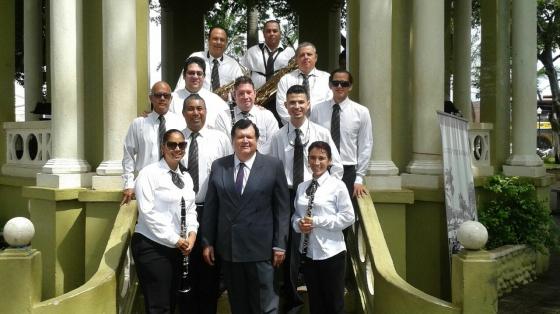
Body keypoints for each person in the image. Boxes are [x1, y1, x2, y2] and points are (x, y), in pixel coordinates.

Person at [263, 84, 343, 312]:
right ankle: (292, 303)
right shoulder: (278, 136)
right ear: (286, 106)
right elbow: (273, 170)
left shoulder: (321, 133)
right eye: (292, 103)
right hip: (288, 196)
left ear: (308, 104)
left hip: (316, 196)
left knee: (313, 248)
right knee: (288, 252)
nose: (296, 106)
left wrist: (324, 190)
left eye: (301, 102)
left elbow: (335, 167)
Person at [201, 119, 290, 314]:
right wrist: (207, 241)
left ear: (257, 140)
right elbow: (211, 208)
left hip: (262, 250)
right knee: (239, 305)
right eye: (240, 137)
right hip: (230, 249)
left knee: (265, 306)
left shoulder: (272, 166)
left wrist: (280, 244)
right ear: (233, 140)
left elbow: (282, 209)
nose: (245, 141)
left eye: (249, 136)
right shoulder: (219, 166)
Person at [131, 129, 199, 313]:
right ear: (163, 148)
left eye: (181, 145)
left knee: (170, 302)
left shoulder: (186, 177)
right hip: (152, 246)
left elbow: (191, 209)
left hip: (177, 248)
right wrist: (175, 239)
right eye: (172, 145)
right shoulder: (148, 174)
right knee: (159, 306)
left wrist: (192, 235)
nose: (177, 148)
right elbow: (147, 213)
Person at [180, 94, 232, 314]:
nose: (195, 113)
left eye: (199, 108)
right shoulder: (176, 139)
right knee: (185, 269)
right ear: (183, 113)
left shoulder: (219, 139)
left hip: (212, 211)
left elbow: (230, 172)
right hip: (182, 214)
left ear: (206, 111)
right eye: (190, 109)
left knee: (209, 268)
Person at [293, 141, 355, 314]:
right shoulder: (301, 187)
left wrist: (316, 221)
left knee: (334, 304)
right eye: (312, 158)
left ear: (329, 161)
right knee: (316, 304)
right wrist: (299, 224)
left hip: (331, 253)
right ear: (308, 160)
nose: (316, 162)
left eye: (321, 158)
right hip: (308, 253)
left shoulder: (337, 186)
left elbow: (348, 217)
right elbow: (296, 216)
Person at [310, 69, 373, 199]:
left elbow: (365, 144)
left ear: (350, 87)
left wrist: (359, 178)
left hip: (348, 170)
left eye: (344, 84)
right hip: (321, 167)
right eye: (336, 83)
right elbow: (312, 139)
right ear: (330, 85)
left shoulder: (361, 112)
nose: (339, 86)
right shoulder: (317, 109)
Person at [122, 81, 186, 205]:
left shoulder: (181, 123)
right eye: (158, 95)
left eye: (166, 95)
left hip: (172, 184)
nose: (162, 98)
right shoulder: (139, 124)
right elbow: (128, 155)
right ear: (151, 98)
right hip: (145, 184)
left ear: (171, 98)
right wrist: (128, 184)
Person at [214, 76, 278, 152]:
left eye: (249, 92)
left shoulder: (267, 116)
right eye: (241, 93)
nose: (245, 97)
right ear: (234, 95)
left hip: (262, 162)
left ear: (254, 93)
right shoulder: (222, 117)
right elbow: (222, 146)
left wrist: (253, 158)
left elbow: (273, 143)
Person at [175, 26, 244, 94]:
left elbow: (242, 89)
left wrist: (229, 96)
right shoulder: (195, 57)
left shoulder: (233, 65)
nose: (218, 42)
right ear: (208, 40)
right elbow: (181, 86)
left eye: (222, 40)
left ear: (226, 43)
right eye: (215, 38)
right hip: (197, 103)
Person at [276, 42, 331, 124]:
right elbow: (281, 107)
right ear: (296, 59)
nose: (306, 57)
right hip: (293, 129)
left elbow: (330, 105)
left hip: (320, 128)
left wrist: (314, 127)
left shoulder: (327, 78)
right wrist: (298, 124)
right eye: (302, 55)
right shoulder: (286, 80)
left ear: (315, 58)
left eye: (309, 54)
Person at [170, 57, 229, 130]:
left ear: (204, 77)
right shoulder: (171, 100)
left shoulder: (217, 102)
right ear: (184, 76)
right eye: (191, 73)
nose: (195, 76)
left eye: (199, 73)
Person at [241, 20, 295, 89]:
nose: (272, 33)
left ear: (280, 33)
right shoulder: (252, 51)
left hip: (282, 94)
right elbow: (242, 73)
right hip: (257, 95)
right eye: (268, 31)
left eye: (275, 31)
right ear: (263, 34)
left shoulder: (290, 52)